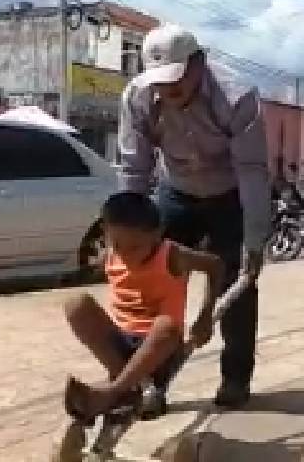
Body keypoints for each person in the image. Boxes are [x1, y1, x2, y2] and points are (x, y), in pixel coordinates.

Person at [118, 24, 271, 408]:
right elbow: (134, 168)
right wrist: (127, 233)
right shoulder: (138, 97)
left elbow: (253, 170)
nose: (168, 92)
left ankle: (235, 379)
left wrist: (254, 240)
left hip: (230, 193)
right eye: (159, 84)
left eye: (176, 81)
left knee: (236, 287)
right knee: (156, 280)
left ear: (198, 64)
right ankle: (154, 383)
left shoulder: (236, 97)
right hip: (175, 191)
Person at [63, 192, 223, 421]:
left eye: (136, 247)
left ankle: (114, 392)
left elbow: (215, 265)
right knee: (76, 304)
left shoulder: (171, 255)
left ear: (156, 235)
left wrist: (205, 316)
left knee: (166, 325)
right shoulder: (110, 254)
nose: (126, 255)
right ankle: (128, 388)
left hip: (161, 346)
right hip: (122, 344)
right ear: (105, 234)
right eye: (117, 245)